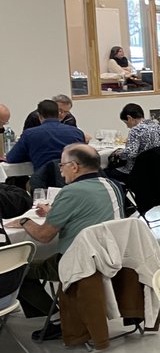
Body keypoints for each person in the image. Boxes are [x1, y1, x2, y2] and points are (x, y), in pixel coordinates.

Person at [6, 144, 124, 336]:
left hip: (78, 262)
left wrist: (25, 220)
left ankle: (55, 318)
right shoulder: (114, 185)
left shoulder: (70, 192)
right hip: (111, 254)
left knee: (18, 269)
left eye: (62, 166)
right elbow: (86, 213)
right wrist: (53, 212)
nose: (60, 172)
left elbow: (44, 236)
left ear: (75, 167)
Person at [6, 99, 87, 174]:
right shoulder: (77, 133)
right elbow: (84, 156)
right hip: (73, 178)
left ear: (39, 116)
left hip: (44, 182)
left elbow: (12, 158)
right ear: (57, 113)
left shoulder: (29, 134)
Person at [110, 103, 160, 182]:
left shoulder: (136, 130)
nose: (127, 126)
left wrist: (119, 153)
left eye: (126, 123)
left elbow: (131, 153)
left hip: (138, 170)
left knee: (108, 172)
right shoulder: (156, 125)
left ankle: (119, 193)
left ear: (129, 118)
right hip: (157, 168)